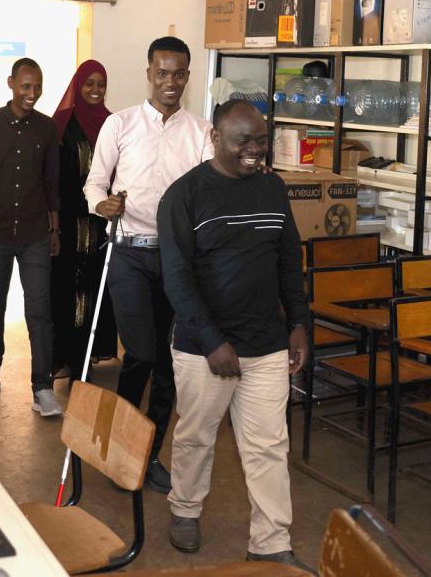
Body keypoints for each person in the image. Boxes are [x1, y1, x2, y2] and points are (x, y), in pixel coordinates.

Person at [157, 99, 311, 570]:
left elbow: (288, 261)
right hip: (204, 348)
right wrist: (211, 342)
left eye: (261, 140)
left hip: (266, 344)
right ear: (215, 138)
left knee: (268, 445)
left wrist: (299, 323)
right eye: (243, 140)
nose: (254, 150)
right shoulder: (183, 196)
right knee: (196, 437)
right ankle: (185, 510)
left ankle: (270, 540)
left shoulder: (272, 188)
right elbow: (177, 280)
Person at [84, 36, 212, 493]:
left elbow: (208, 195)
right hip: (128, 252)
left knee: (167, 362)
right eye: (162, 73)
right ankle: (120, 443)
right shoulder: (119, 125)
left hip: (177, 259)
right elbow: (94, 184)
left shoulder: (201, 132)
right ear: (148, 73)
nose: (170, 82)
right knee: (141, 351)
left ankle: (146, 453)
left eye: (178, 74)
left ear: (188, 77)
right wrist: (102, 207)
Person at [0, 57, 63, 417]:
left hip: (37, 231)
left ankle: (43, 389)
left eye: (37, 87)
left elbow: (52, 182)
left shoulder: (47, 129)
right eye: (26, 86)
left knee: (40, 311)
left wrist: (55, 228)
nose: (32, 94)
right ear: (11, 83)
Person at [49, 60, 118, 375]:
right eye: (88, 83)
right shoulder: (62, 124)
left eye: (100, 84)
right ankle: (65, 354)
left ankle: (86, 354)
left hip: (100, 224)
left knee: (96, 288)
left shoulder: (112, 123)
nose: (95, 90)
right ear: (77, 86)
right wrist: (54, 225)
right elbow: (50, 178)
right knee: (65, 288)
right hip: (67, 223)